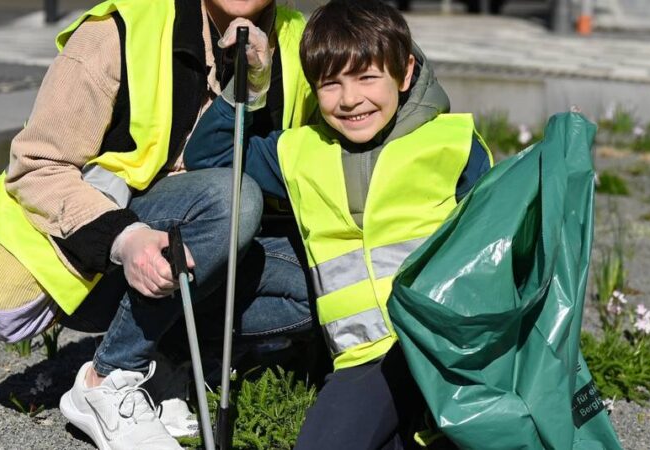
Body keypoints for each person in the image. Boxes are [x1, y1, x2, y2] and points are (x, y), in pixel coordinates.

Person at [0, 0, 317, 448]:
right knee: (232, 198)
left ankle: (168, 359)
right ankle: (106, 379)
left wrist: (255, 86)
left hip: (203, 250)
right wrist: (124, 238)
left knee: (323, 283)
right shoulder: (121, 28)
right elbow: (37, 168)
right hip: (93, 258)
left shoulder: (300, 39)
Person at [184, 0, 494, 448]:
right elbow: (210, 155)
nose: (350, 99)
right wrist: (250, 83)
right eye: (330, 84)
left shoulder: (454, 142)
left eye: (368, 77)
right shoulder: (298, 152)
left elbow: (497, 247)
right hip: (363, 360)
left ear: (405, 73)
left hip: (448, 350)